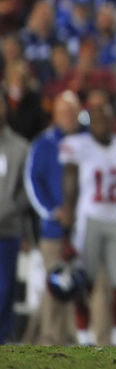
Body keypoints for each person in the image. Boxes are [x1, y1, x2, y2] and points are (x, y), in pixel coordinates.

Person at [57, 91, 116, 347]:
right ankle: (83, 338)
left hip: (115, 220)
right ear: (89, 122)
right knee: (84, 282)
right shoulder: (78, 145)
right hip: (88, 220)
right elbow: (70, 192)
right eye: (97, 120)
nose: (102, 125)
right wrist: (66, 234)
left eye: (106, 119)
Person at [24, 90, 81, 345]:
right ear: (55, 114)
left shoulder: (87, 141)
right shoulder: (44, 144)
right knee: (55, 286)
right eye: (63, 112)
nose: (67, 116)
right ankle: (48, 340)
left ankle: (63, 338)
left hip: (83, 229)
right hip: (54, 229)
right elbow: (32, 182)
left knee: (75, 287)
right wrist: (52, 211)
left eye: (71, 111)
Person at [0, 94, 28, 344]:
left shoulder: (19, 147)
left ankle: (5, 339)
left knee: (6, 289)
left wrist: (9, 209)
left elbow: (24, 191)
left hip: (8, 229)